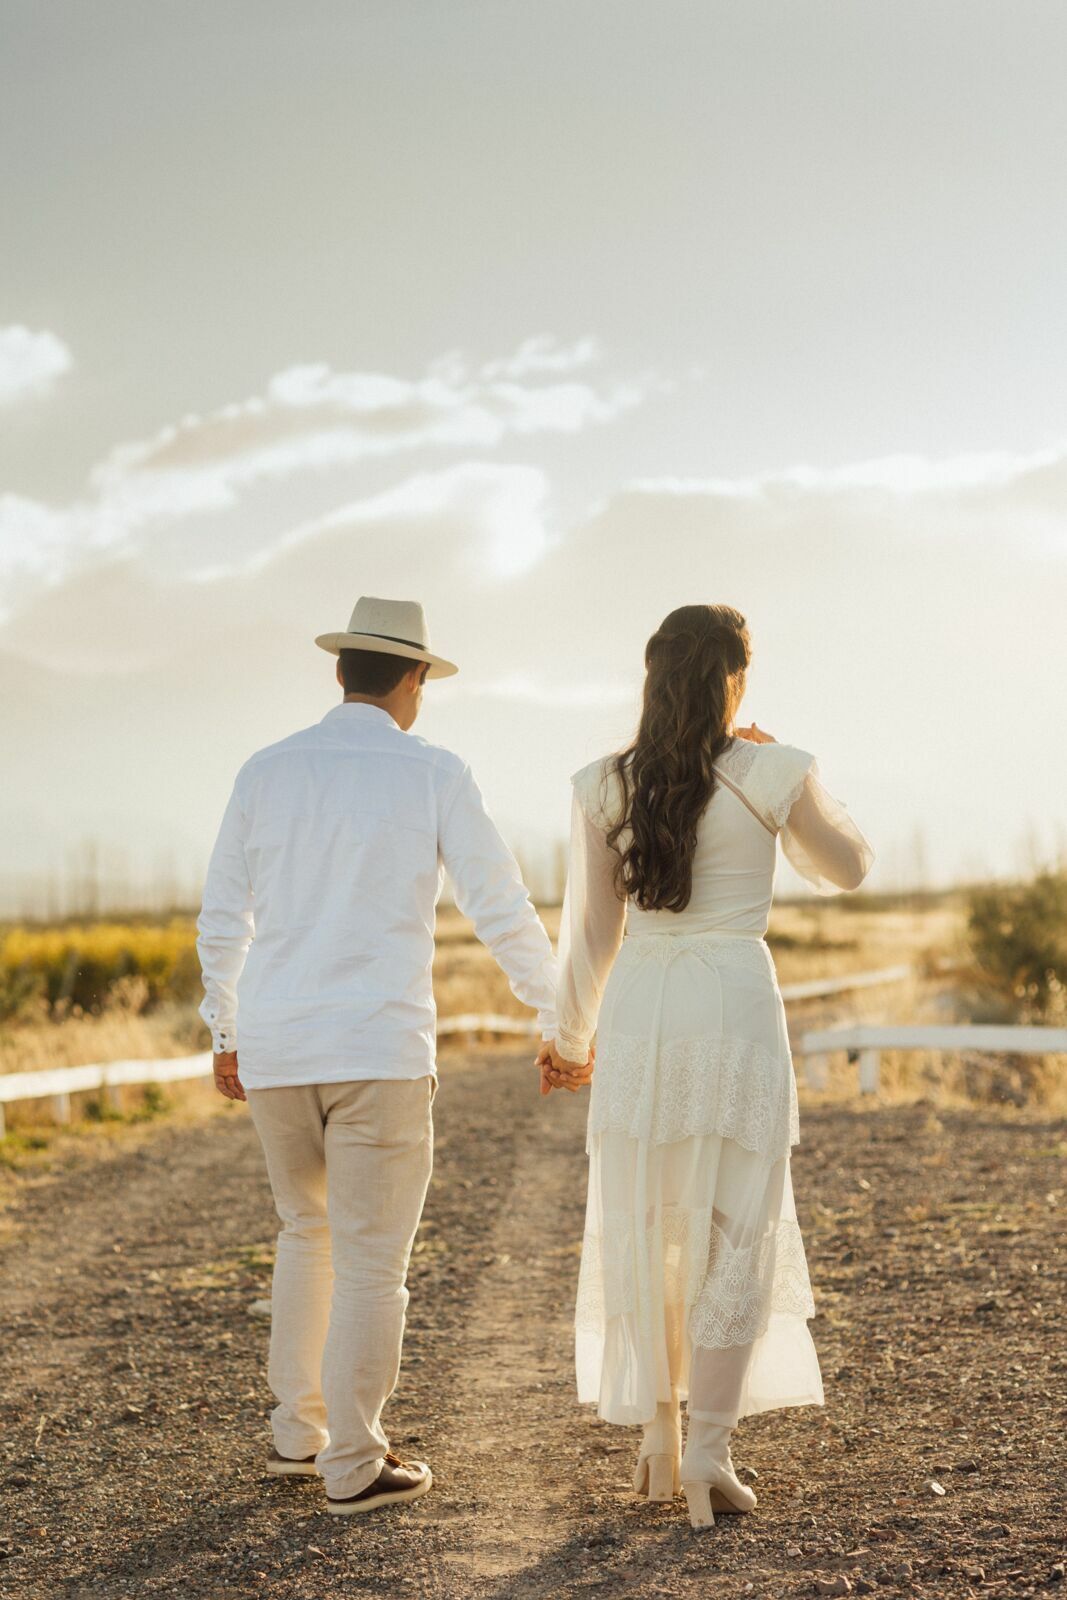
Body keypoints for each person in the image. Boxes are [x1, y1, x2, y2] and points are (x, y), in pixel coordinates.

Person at [196, 595, 590, 1516]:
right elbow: (498, 904)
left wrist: (225, 1029)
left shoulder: (265, 769)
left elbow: (224, 911)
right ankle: (355, 1463)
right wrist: (561, 1017)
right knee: (374, 1261)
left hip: (279, 1045)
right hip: (376, 1046)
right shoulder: (434, 773)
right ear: (410, 678)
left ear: (342, 672)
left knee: (307, 1233)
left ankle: (298, 1436)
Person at [537, 603, 873, 1529]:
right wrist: (790, 771)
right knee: (733, 1227)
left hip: (644, 1008)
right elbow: (846, 867)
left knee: (646, 1221)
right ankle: (705, 1453)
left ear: (652, 678)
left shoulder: (603, 783)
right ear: (733, 679)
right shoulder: (770, 769)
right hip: (733, 1005)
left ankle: (655, 1441)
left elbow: (591, 939)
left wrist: (568, 1041)